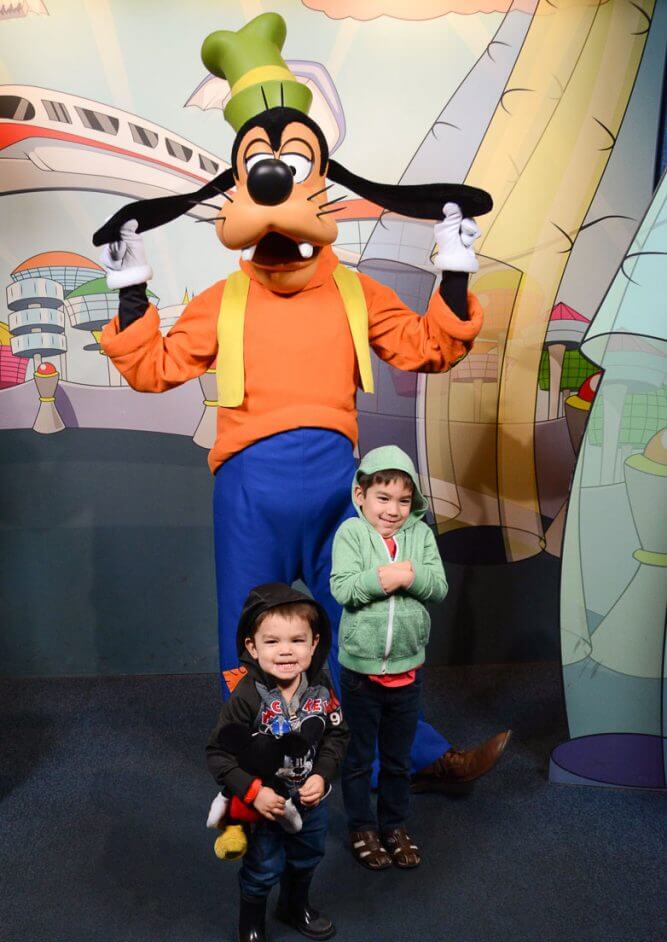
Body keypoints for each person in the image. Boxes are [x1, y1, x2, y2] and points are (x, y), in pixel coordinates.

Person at [95, 11, 510, 792]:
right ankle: (271, 766)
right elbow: (152, 368)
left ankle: (419, 760)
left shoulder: (354, 289)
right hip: (248, 489)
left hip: (332, 487)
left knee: (359, 633)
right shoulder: (222, 299)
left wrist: (454, 273)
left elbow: (430, 346)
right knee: (253, 636)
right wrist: (131, 291)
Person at [331, 445, 508, 869]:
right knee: (358, 759)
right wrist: (387, 576)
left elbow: (438, 587)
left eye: (404, 500)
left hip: (408, 670)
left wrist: (410, 575)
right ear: (360, 495)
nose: (393, 510)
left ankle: (393, 825)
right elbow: (344, 588)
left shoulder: (421, 535)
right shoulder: (351, 534)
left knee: (398, 758)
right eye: (383, 498)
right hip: (360, 672)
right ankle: (362, 827)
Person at [206, 583, 348, 942]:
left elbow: (337, 734)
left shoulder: (321, 688)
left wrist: (323, 774)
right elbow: (218, 754)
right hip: (266, 807)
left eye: (297, 640)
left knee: (308, 855)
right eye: (272, 641)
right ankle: (251, 925)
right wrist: (253, 792)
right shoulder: (245, 697)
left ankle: (293, 906)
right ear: (252, 647)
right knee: (263, 866)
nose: (286, 650)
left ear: (315, 643)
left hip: (310, 801)